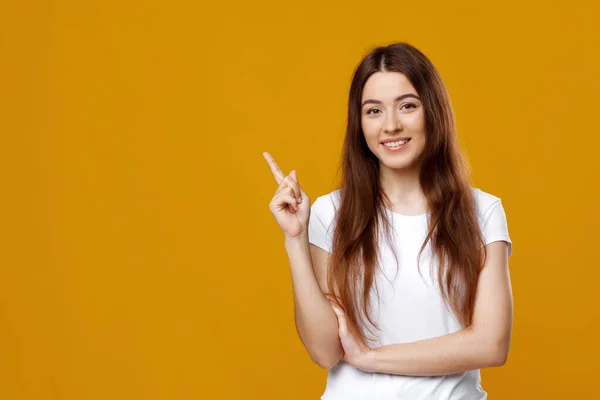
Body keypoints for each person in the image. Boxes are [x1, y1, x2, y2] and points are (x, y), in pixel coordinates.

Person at [263, 41, 513, 400]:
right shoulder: (330, 213)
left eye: (407, 106)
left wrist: (370, 357)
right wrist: (295, 241)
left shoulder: (482, 212)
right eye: (374, 111)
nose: (391, 125)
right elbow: (325, 351)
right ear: (359, 124)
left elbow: (491, 344)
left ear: (433, 112)